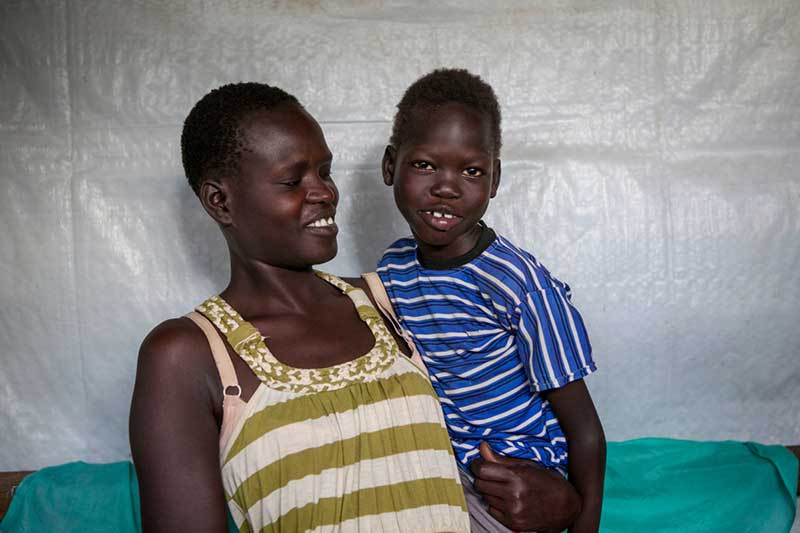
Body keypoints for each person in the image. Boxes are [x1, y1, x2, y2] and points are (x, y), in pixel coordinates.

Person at [128, 82, 474, 533]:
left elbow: (502, 418)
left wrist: (552, 493)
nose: (324, 193)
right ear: (220, 201)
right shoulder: (188, 354)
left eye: (324, 172)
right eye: (293, 181)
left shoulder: (393, 300)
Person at [376, 69, 606, 533]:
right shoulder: (393, 269)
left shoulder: (518, 284)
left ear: (495, 179)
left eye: (472, 171)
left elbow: (585, 432)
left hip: (514, 480)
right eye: (425, 165)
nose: (447, 186)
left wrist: (581, 522)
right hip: (442, 465)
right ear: (390, 166)